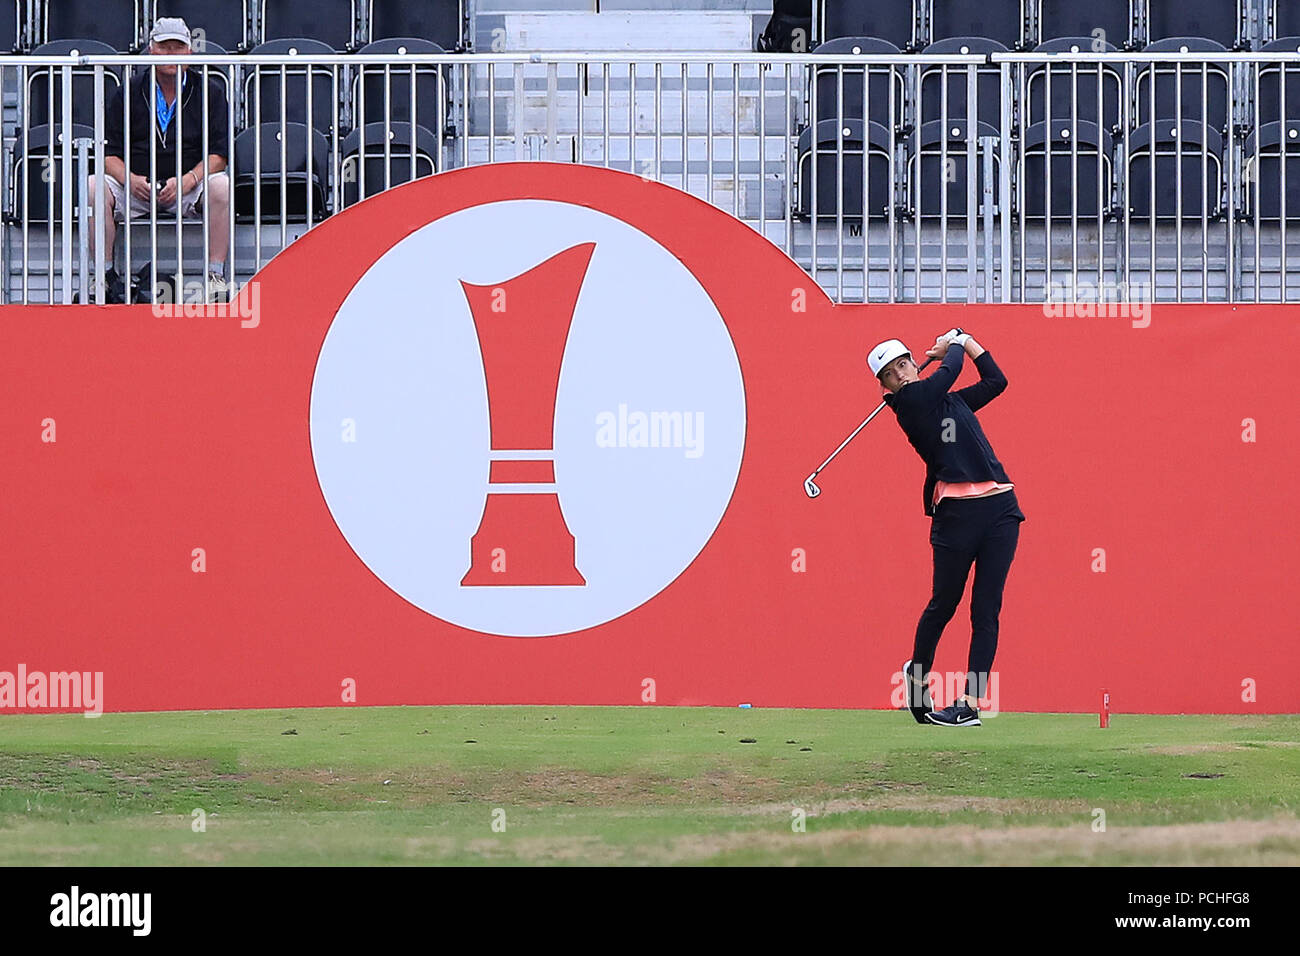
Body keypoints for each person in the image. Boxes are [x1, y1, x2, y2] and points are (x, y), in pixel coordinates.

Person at [868, 330, 1025, 728]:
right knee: (944, 604)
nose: (901, 374)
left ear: (913, 363)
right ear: (884, 386)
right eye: (890, 373)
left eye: (903, 364)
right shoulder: (910, 403)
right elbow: (950, 371)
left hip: (1001, 511)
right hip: (956, 517)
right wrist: (954, 343)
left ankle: (970, 702)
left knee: (986, 609)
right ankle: (918, 679)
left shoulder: (950, 402)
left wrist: (969, 342)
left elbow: (996, 382)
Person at [88, 17, 231, 303]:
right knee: (93, 186)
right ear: (151, 50)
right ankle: (103, 277)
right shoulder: (127, 91)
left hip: (189, 187)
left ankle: (215, 277)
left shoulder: (211, 92)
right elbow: (108, 155)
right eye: (164, 47)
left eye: (178, 47)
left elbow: (220, 156)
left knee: (221, 186)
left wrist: (189, 179)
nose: (171, 54)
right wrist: (129, 179)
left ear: (190, 52)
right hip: (136, 186)